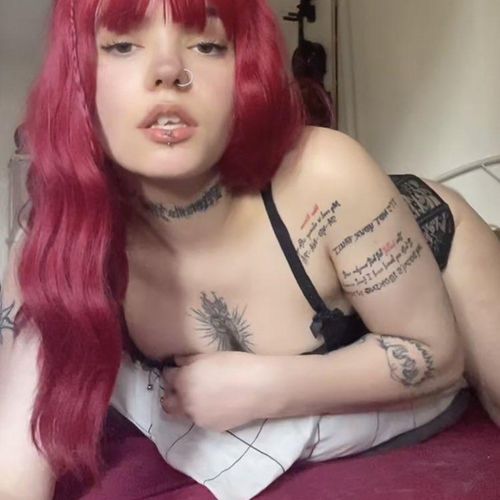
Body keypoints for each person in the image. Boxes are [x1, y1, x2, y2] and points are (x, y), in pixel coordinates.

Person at [1, 0, 499, 498]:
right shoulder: (62, 238)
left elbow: (437, 355)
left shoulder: (328, 176)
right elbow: (17, 458)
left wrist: (267, 387)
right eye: (124, 45)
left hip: (423, 243)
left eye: (207, 45)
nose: (168, 71)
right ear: (77, 76)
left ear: (244, 69)